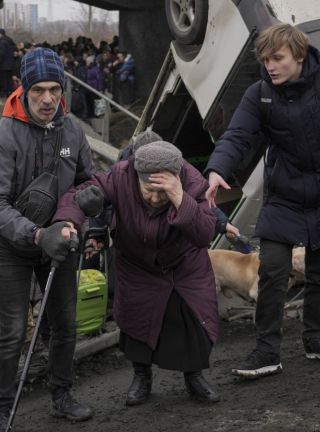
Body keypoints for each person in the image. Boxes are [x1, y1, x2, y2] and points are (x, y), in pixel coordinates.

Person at [203, 23, 320, 379]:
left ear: (299, 56)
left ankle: (315, 338)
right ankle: (266, 351)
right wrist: (216, 170)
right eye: (265, 60)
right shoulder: (259, 94)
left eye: (277, 58)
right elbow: (238, 135)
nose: (270, 66)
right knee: (273, 269)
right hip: (284, 198)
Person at [0, 47, 95, 431]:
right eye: (38, 91)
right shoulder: (3, 135)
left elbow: (86, 181)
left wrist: (79, 219)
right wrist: (34, 234)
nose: (48, 99)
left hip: (60, 241)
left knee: (65, 324)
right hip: (14, 245)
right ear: (23, 89)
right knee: (12, 331)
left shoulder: (73, 129)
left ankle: (62, 395)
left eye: (55, 89)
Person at [57, 141, 221, 406]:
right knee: (136, 322)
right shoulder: (121, 176)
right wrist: (68, 220)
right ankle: (141, 377)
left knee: (192, 321)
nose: (155, 199)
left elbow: (204, 234)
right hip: (137, 264)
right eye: (149, 191)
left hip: (183, 265)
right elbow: (78, 194)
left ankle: (194, 376)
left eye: (162, 193)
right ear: (137, 177)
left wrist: (180, 197)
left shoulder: (192, 181)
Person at [0, 29, 16, 97]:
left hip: (3, 65)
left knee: (3, 79)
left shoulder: (2, 42)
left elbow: (0, 53)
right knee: (8, 79)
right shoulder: (9, 41)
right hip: (9, 64)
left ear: (0, 34)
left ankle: (5, 92)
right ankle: (10, 92)